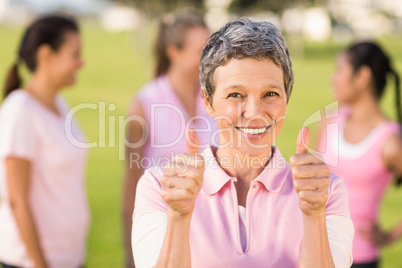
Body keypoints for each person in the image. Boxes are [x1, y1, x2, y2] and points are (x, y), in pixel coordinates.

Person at [132, 18, 354, 268]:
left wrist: (314, 216)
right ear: (208, 101)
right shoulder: (160, 188)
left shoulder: (326, 192)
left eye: (270, 94)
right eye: (235, 95)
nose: (255, 111)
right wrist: (179, 217)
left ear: (286, 98)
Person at [122, 11, 218, 267]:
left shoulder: (216, 100)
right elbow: (131, 181)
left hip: (212, 239)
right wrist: (130, 254)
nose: (210, 58)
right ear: (173, 52)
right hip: (163, 237)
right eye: (201, 50)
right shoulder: (143, 105)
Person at [0, 15, 89, 268]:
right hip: (30, 262)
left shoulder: (59, 104)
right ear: (46, 55)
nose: (80, 63)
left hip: (69, 259)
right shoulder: (20, 111)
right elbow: (18, 201)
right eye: (75, 54)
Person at [317, 41, 402, 268]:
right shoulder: (328, 121)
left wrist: (389, 236)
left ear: (362, 77)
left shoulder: (390, 142)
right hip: (315, 252)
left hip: (360, 260)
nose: (333, 79)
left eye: (340, 70)